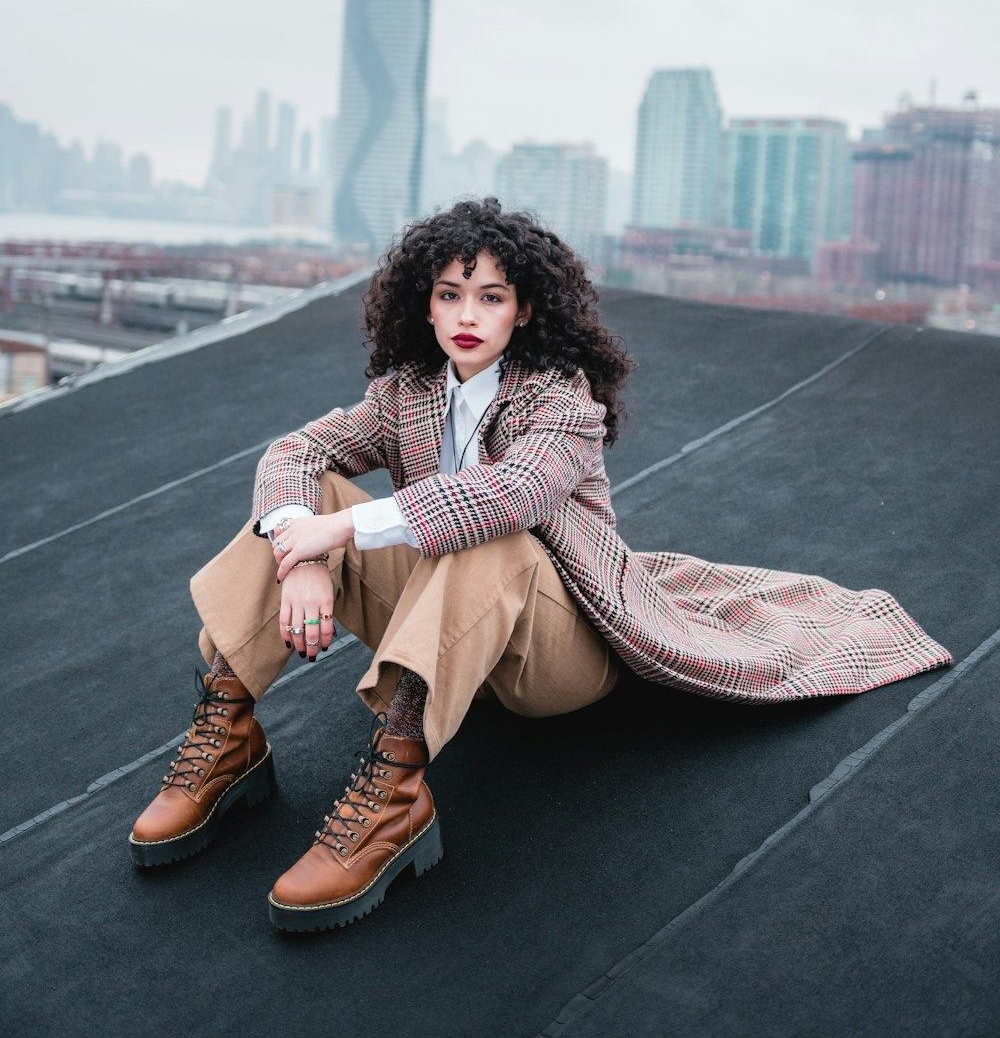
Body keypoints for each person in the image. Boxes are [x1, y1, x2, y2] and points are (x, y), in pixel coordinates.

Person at [128, 197, 952, 931]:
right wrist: (298, 547)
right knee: (302, 504)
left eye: (490, 297)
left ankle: (396, 793)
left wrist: (337, 539)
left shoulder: (562, 399)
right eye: (450, 293)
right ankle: (227, 732)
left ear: (525, 309)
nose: (466, 314)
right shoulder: (407, 392)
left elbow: (510, 496)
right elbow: (297, 450)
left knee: (489, 534)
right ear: (426, 300)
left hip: (555, 656)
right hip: (442, 631)